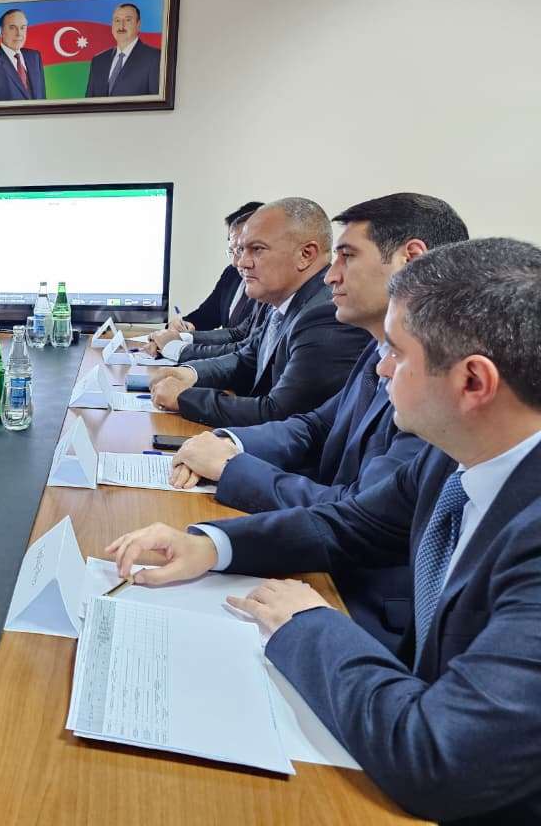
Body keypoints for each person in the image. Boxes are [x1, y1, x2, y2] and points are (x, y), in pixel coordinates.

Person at [107, 238, 541, 825]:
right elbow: (353, 523)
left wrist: (308, 625)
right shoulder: (459, 453)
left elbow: (442, 760)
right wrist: (212, 545)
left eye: (395, 352)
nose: (379, 367)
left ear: (472, 383)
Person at [168, 193, 468, 647]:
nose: (329, 275)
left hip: (364, 605)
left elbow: (362, 514)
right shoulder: (379, 349)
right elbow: (314, 426)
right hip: (317, 556)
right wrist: (228, 443)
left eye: (347, 256)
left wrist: (231, 467)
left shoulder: (441, 383)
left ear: (410, 259)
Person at [149, 198, 372, 426]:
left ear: (306, 254)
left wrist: (184, 397)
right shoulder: (279, 300)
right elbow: (247, 359)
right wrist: (190, 373)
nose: (242, 263)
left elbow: (278, 413)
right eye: (240, 250)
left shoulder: (325, 314)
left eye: (257, 249)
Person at [149, 201, 262, 361]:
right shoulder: (232, 273)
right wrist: (179, 330)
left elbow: (243, 345)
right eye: (235, 250)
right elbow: (209, 316)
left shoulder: (272, 292)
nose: (238, 262)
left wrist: (175, 347)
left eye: (247, 249)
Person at [84, 3, 161, 97]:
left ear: (138, 24)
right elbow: (89, 102)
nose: (121, 26)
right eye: (117, 20)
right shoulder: (98, 61)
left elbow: (157, 102)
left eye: (128, 20)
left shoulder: (154, 58)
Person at [0, 8, 46, 101]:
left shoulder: (35, 57)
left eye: (22, 27)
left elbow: (42, 99)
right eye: (12, 27)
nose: (19, 33)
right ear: (1, 31)